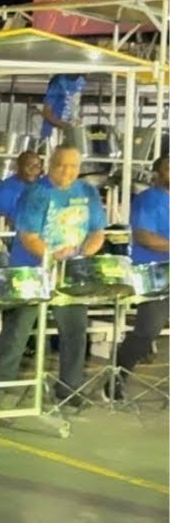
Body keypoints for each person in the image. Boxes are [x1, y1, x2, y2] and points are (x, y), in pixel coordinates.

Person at [0, 144, 106, 408]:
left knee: (74, 331)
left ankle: (69, 389)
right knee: (18, 332)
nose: (68, 171)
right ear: (51, 164)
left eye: (73, 166)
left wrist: (82, 254)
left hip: (69, 273)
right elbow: (29, 236)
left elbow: (97, 231)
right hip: (32, 270)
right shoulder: (36, 193)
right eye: (62, 165)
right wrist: (52, 257)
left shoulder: (88, 192)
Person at [115, 156, 169, 398]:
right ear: (156, 174)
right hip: (155, 273)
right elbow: (145, 237)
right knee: (148, 330)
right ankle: (118, 375)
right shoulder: (148, 200)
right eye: (168, 168)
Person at [0, 151, 43, 223]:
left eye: (38, 166)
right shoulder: (5, 189)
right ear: (19, 167)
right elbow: (2, 219)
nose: (34, 170)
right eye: (29, 165)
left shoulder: (44, 187)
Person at [40, 73, 86, 139]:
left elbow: (76, 104)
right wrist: (64, 125)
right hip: (52, 134)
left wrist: (77, 120)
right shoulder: (59, 81)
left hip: (70, 134)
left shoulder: (81, 81)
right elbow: (46, 112)